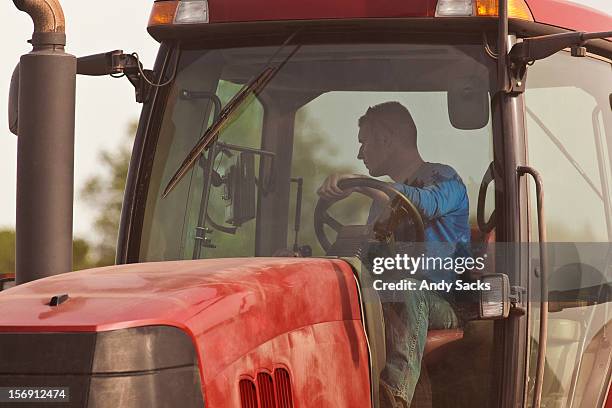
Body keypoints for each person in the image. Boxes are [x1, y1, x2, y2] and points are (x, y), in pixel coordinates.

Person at [317, 101, 470, 408]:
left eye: (364, 142)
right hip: (392, 295)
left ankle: (393, 398)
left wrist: (359, 183)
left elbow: (423, 204)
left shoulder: (446, 180)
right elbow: (374, 259)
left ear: (386, 139)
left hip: (442, 301)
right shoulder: (381, 202)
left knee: (409, 290)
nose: (360, 154)